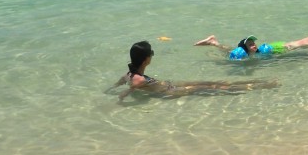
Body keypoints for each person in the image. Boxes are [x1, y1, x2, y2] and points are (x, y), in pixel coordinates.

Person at [114, 40, 278, 101]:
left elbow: (122, 84)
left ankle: (258, 83)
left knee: (213, 84)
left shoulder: (129, 74)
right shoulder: (139, 79)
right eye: (152, 54)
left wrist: (112, 91)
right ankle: (260, 85)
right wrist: (121, 99)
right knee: (216, 88)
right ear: (146, 59)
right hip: (174, 91)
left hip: (170, 85)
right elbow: (129, 89)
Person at [194, 34, 262, 60]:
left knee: (229, 49)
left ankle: (214, 42)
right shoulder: (240, 53)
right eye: (250, 45)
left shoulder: (257, 52)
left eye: (253, 43)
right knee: (228, 51)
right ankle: (213, 42)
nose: (254, 45)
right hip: (234, 54)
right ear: (245, 48)